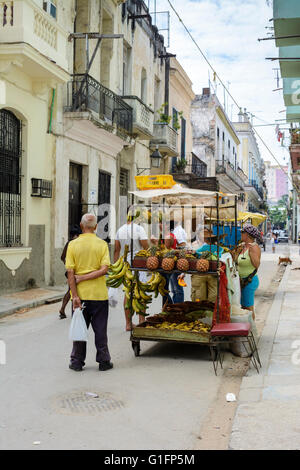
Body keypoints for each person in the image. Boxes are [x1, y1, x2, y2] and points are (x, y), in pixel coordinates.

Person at [66, 214, 112, 372]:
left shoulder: (73, 245)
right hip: (99, 295)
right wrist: (88, 276)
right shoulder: (102, 245)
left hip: (81, 295)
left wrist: (75, 296)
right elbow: (104, 269)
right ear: (96, 226)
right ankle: (104, 361)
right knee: (100, 330)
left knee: (80, 328)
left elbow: (70, 273)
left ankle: (77, 361)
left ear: (81, 225)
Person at [114, 210, 149, 331]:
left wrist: (116, 268)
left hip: (125, 263)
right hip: (139, 262)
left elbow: (116, 251)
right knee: (141, 292)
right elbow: (145, 247)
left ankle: (128, 324)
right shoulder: (139, 229)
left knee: (128, 293)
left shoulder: (120, 230)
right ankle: (141, 321)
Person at [237, 224, 262, 321]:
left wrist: (251, 253)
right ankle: (245, 330)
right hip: (241, 281)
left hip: (249, 281)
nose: (240, 234)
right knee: (242, 308)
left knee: (248, 308)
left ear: (247, 235)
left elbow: (257, 265)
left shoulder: (254, 247)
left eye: (242, 232)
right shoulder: (242, 246)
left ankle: (252, 331)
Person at [59, 225, 81, 319]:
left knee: (71, 290)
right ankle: (70, 310)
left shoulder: (69, 243)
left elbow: (62, 257)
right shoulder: (78, 243)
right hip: (77, 270)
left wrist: (67, 265)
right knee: (73, 291)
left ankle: (63, 309)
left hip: (71, 270)